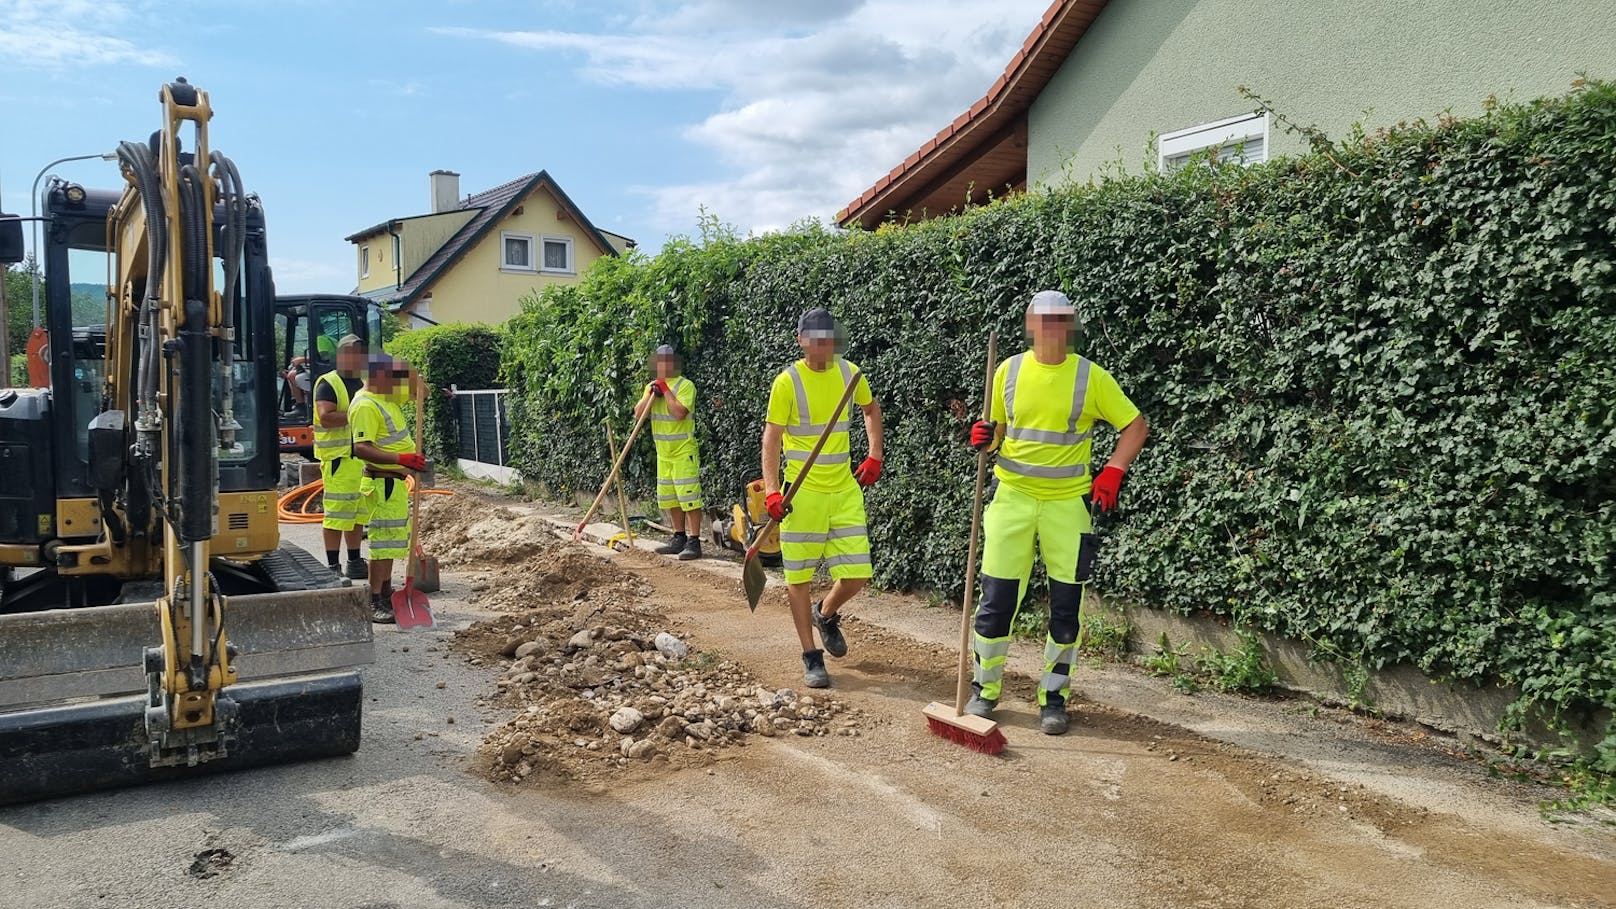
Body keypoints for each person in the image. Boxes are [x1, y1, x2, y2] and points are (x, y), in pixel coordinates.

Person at [967, 290, 1148, 734]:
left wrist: (1113, 471)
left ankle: (1054, 698)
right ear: (1030, 325)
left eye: (1059, 321)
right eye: (1042, 321)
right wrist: (984, 437)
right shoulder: (1007, 370)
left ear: (1070, 326)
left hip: (1067, 505)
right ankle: (984, 691)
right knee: (995, 603)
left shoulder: (1090, 377)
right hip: (1010, 499)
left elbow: (1135, 425)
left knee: (1066, 609)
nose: (1050, 329)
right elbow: (997, 434)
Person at [761, 307, 884, 688]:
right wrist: (772, 491)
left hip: (844, 489)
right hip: (803, 493)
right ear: (801, 341)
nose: (823, 346)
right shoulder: (787, 382)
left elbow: (871, 408)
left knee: (859, 573)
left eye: (829, 339)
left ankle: (826, 612)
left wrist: (875, 453)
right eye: (815, 339)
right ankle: (811, 656)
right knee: (798, 578)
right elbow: (772, 438)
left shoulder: (850, 374)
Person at [351, 355, 427, 624]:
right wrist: (401, 459)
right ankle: (373, 601)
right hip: (381, 482)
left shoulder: (386, 398)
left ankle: (384, 591)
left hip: (394, 484)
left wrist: (410, 371)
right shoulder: (365, 405)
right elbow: (361, 448)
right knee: (382, 545)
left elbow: (422, 393)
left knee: (392, 542)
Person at [634, 344, 704, 560]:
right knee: (670, 498)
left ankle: (694, 541)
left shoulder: (685, 385)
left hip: (683, 451)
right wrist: (651, 394)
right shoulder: (651, 386)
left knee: (689, 497)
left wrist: (665, 391)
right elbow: (638, 414)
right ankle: (678, 537)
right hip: (663, 454)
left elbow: (680, 413)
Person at [312, 334, 370, 579]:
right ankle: (333, 566)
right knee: (337, 515)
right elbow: (325, 417)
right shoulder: (328, 383)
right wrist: (357, 414)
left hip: (361, 459)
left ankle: (354, 561)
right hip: (338, 460)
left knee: (358, 514)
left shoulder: (363, 383)